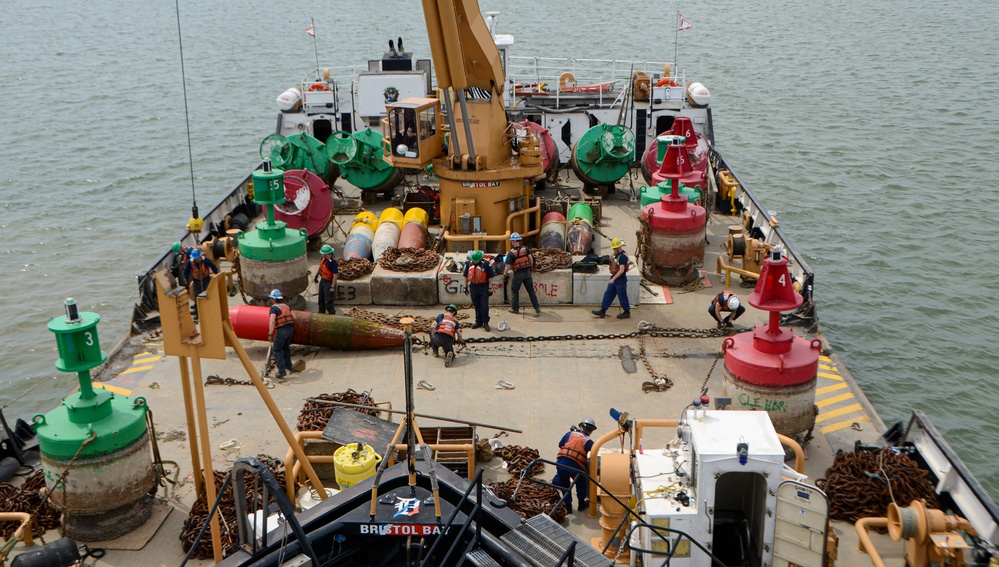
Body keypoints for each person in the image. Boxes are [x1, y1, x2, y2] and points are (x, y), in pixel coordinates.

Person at [551, 418, 597, 514]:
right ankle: (581, 504)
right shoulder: (589, 442)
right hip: (575, 467)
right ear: (591, 431)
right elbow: (592, 454)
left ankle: (568, 507)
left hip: (561, 463)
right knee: (581, 483)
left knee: (564, 484)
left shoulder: (569, 434)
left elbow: (560, 444)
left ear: (581, 426)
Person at [592, 238, 631, 319]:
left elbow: (621, 270)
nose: (613, 249)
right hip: (615, 278)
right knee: (608, 294)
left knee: (622, 296)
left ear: (618, 248)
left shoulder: (622, 257)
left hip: (620, 279)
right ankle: (603, 311)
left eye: (614, 248)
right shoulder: (617, 255)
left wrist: (613, 279)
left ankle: (626, 312)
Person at [504, 232, 541, 316]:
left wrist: (504, 274)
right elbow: (531, 259)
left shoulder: (511, 253)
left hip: (518, 274)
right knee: (531, 291)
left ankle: (515, 309)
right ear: (519, 241)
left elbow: (507, 266)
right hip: (527, 272)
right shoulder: (525, 249)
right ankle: (537, 308)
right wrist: (531, 267)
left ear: (513, 242)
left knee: (515, 291)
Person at [463, 250, 495, 331]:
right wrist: (465, 286)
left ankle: (486, 322)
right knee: (476, 305)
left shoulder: (486, 265)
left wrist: (490, 288)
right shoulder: (468, 264)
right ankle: (478, 321)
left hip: (483, 287)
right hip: (473, 286)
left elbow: (490, 277)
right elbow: (465, 276)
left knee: (484, 305)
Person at [267, 289, 294, 378]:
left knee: (277, 350)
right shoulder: (287, 306)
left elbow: (272, 322)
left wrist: (270, 333)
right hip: (290, 329)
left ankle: (282, 371)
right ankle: (289, 366)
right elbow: (293, 316)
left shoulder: (274, 308)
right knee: (286, 348)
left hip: (282, 330)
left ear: (274, 299)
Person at [184, 249, 218, 317]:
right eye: (198, 257)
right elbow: (186, 271)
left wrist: (216, 273)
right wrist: (186, 279)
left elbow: (213, 266)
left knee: (206, 295)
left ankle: (207, 310)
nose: (200, 258)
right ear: (195, 258)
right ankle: (197, 312)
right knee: (196, 297)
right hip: (196, 281)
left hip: (206, 280)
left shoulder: (205, 260)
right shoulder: (190, 262)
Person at [313, 244, 339, 315]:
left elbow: (335, 275)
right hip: (323, 280)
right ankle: (321, 313)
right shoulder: (323, 259)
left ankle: (332, 314)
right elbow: (320, 267)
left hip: (329, 282)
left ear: (327, 254)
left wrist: (332, 286)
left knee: (328, 301)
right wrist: (316, 275)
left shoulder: (333, 263)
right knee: (321, 299)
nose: (322, 255)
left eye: (323, 254)